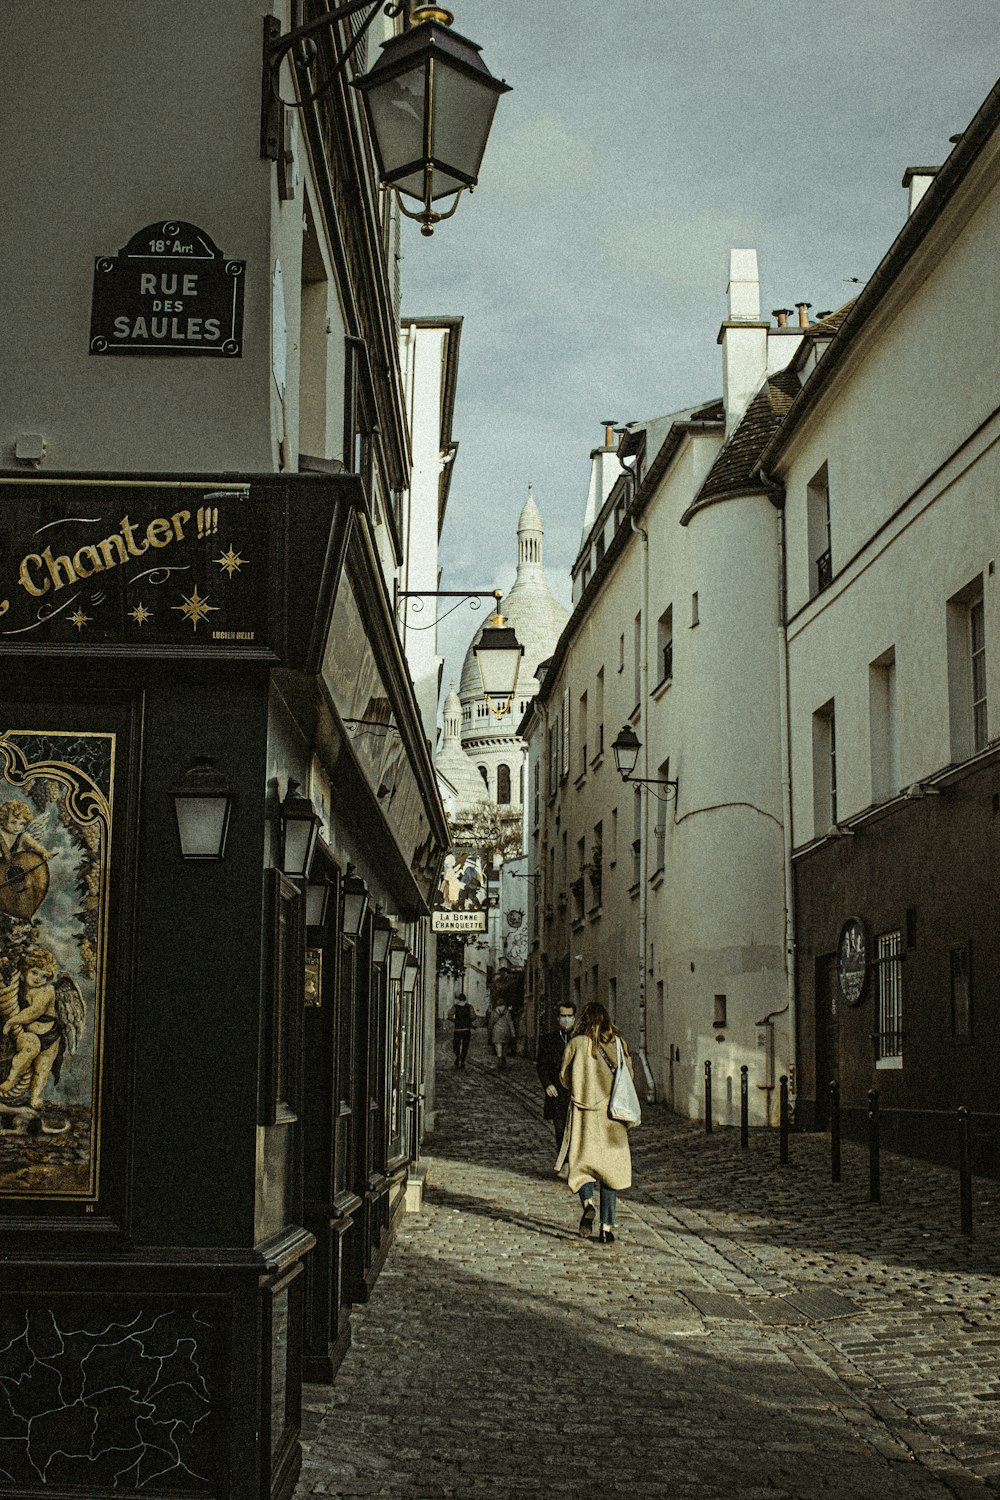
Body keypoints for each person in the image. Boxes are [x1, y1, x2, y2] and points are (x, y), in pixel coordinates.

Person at [557, 1002, 634, 1244]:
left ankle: (588, 1203)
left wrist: (582, 1086)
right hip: (612, 1117)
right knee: (611, 1173)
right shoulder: (618, 1045)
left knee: (582, 1166)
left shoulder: (576, 1044)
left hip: (584, 1116)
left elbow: (564, 1078)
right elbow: (629, 1076)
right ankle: (607, 1228)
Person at [536, 1002, 576, 1150]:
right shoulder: (548, 1040)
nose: (566, 1019)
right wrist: (547, 1084)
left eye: (569, 1016)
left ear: (574, 1017)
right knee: (560, 1129)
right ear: (558, 1019)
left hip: (576, 1093)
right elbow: (541, 1065)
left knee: (576, 1131)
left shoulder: (580, 1039)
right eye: (563, 1016)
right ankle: (563, 1161)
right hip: (557, 1092)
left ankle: (575, 1164)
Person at [446, 993, 476, 1068]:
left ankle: (457, 1056)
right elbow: (473, 1016)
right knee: (465, 1046)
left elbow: (449, 1015)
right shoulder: (469, 1006)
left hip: (458, 1029)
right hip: (466, 1029)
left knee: (456, 1044)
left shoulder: (455, 1006)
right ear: (465, 999)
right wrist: (468, 1021)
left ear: (459, 999)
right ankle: (462, 1061)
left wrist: (455, 1020)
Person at [485, 994, 515, 1068]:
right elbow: (510, 1023)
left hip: (496, 1032)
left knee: (498, 1047)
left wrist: (489, 1032)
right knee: (505, 1046)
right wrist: (513, 1034)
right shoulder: (507, 1012)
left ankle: (499, 1060)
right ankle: (503, 1059)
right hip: (506, 1031)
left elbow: (491, 1023)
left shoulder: (494, 1011)